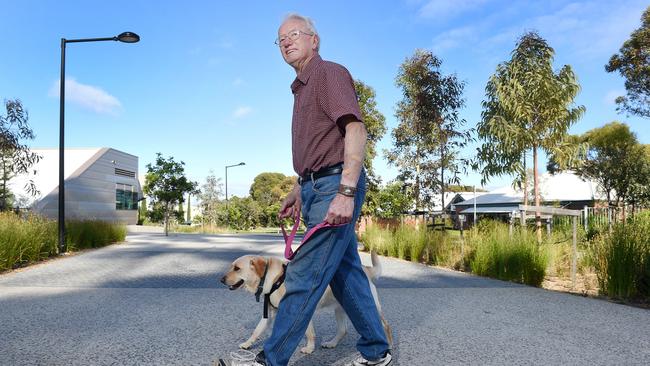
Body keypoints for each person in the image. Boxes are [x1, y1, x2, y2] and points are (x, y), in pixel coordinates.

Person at [252, 13, 392, 366]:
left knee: (303, 275)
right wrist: (300, 188)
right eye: (280, 38)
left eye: (294, 34)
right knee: (345, 273)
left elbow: (356, 131)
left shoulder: (328, 73)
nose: (286, 41)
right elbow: (319, 147)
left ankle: (271, 360)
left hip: (335, 186)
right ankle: (377, 351)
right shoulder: (301, 89)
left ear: (314, 40)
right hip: (317, 185)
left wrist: (344, 192)